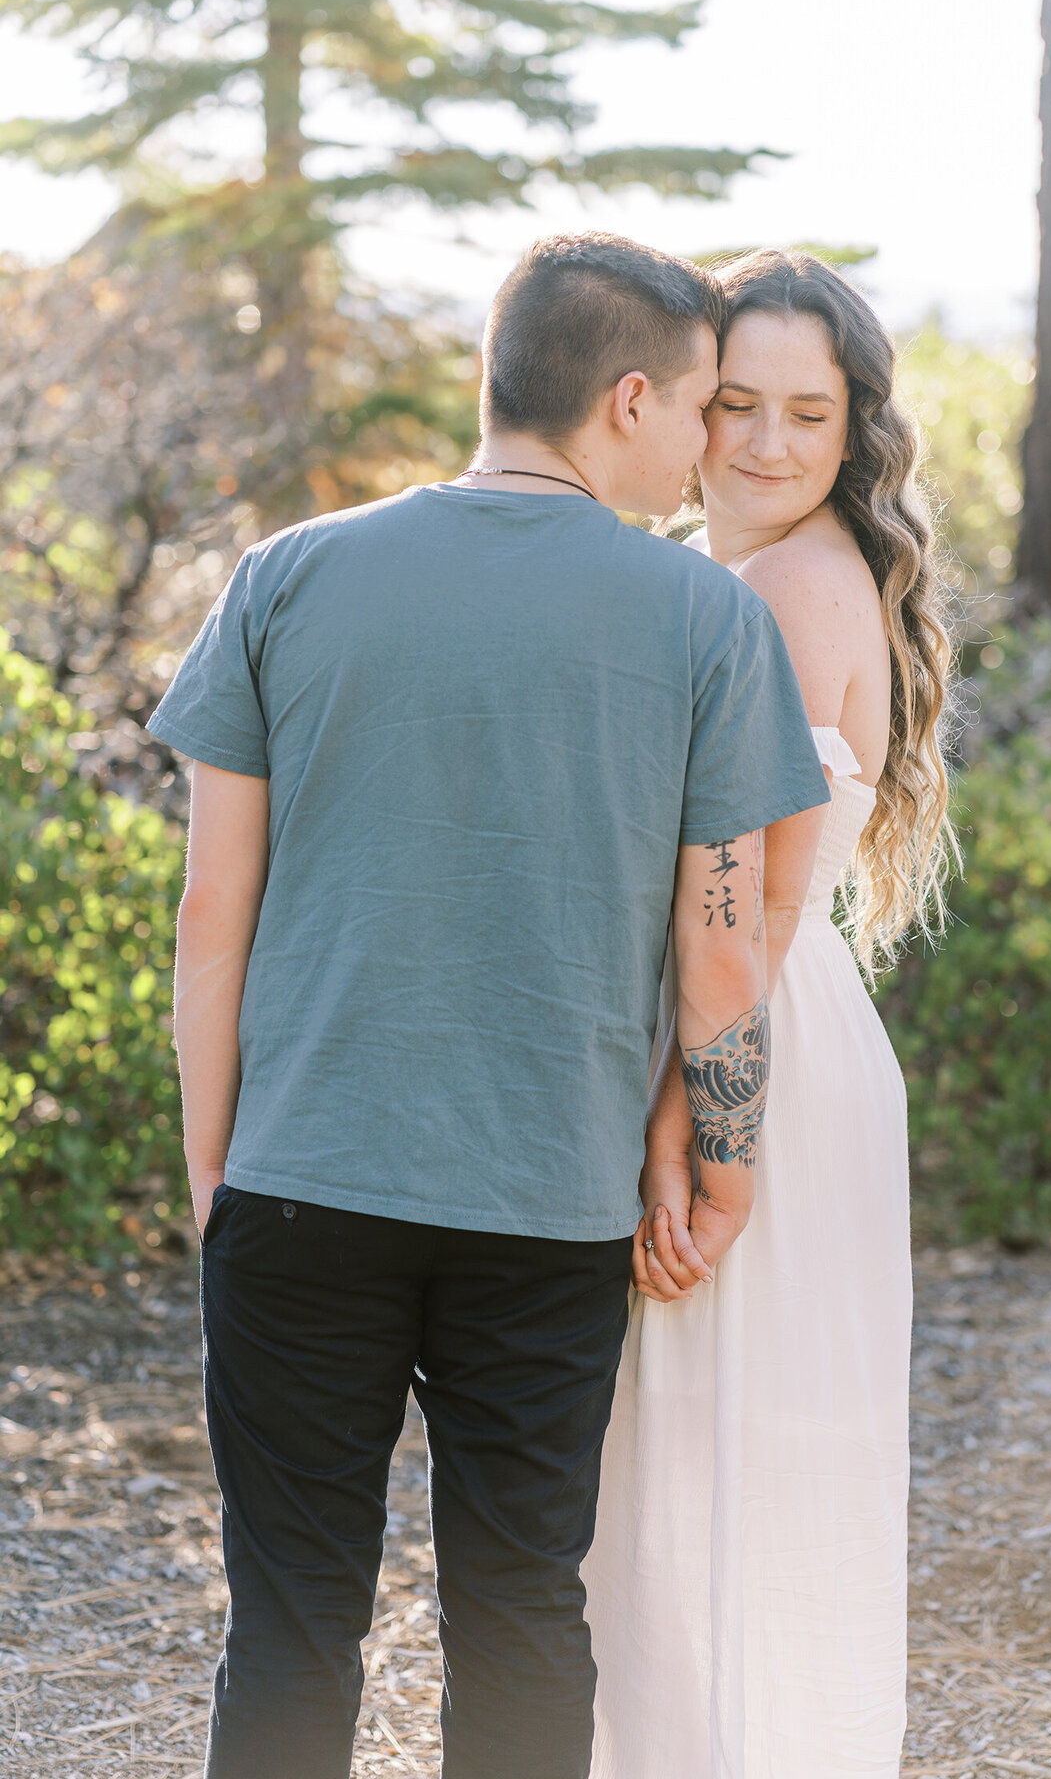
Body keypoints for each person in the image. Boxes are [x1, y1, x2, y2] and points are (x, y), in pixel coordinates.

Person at [145, 231, 830, 1779]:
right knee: (524, 1611)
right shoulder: (703, 620)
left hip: (302, 1179)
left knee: (293, 1620)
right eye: (705, 405)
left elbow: (212, 919)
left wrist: (216, 1167)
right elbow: (722, 952)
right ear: (631, 400)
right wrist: (722, 1174)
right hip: (548, 1203)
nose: (710, 446)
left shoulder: (287, 575)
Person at [584, 249, 960, 1779]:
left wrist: (688, 1118)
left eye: (812, 412)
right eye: (736, 403)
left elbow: (768, 900)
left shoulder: (795, 585)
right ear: (681, 399)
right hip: (745, 1031)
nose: (769, 444)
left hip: (755, 1055)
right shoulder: (723, 574)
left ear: (854, 428)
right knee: (689, 1470)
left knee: (713, 1462)